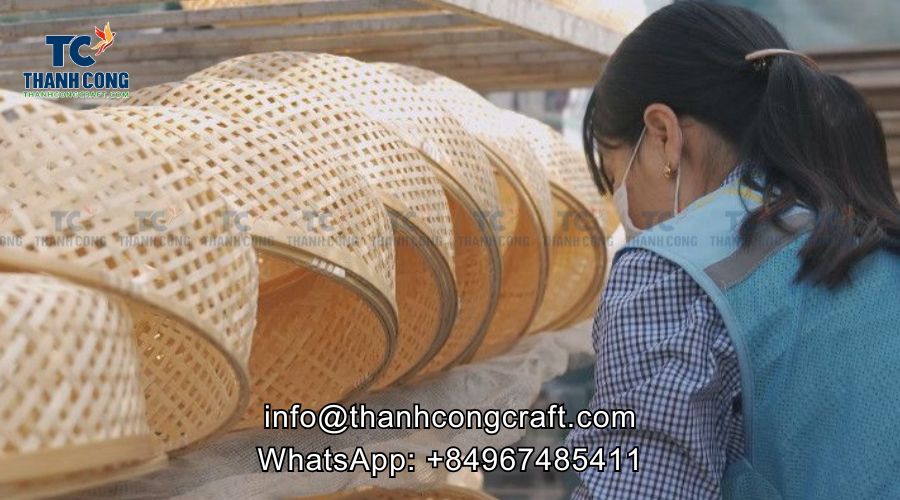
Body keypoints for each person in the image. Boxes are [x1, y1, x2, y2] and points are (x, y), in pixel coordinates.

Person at [564, 2, 900, 499]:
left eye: (617, 176)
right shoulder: (871, 237)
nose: (624, 208)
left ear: (663, 134)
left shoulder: (671, 274)